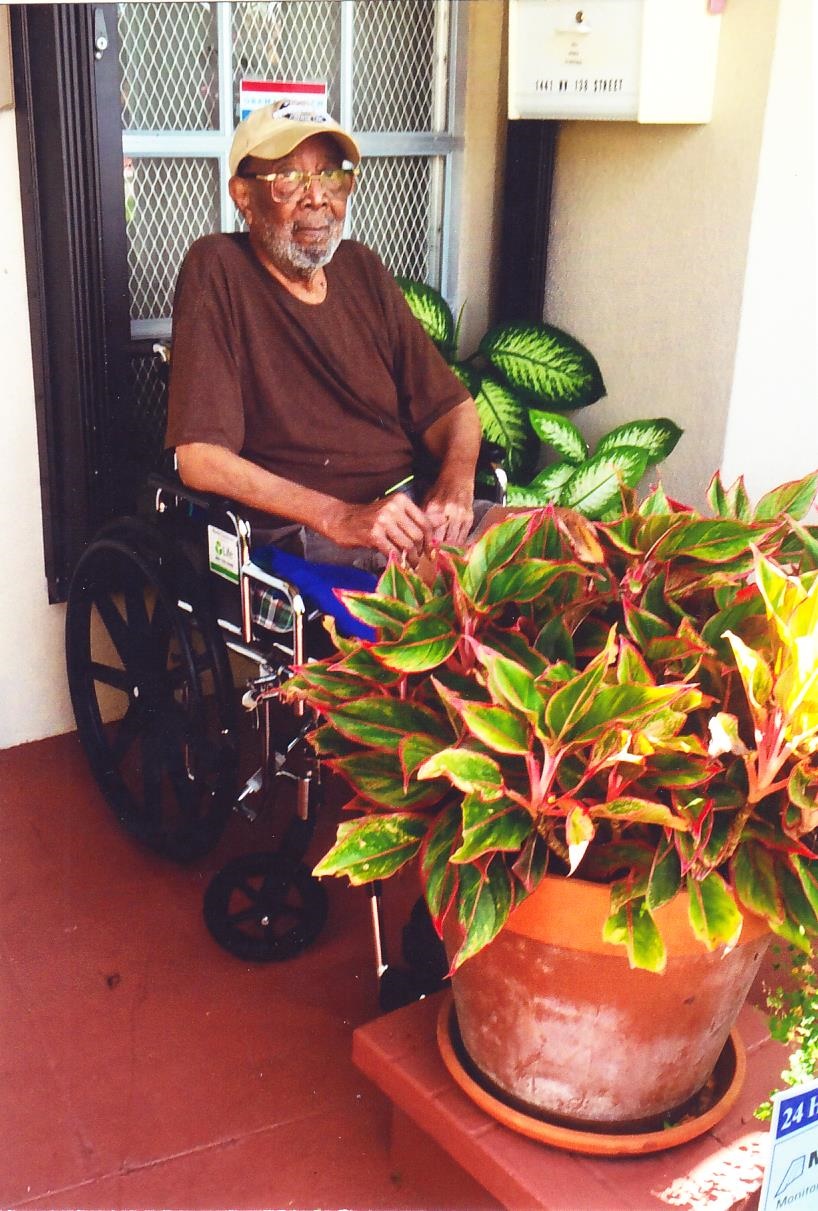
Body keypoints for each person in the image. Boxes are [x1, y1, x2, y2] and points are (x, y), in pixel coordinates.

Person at [165, 101, 485, 571]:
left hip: (411, 513)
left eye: (332, 175)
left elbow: (452, 410)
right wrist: (340, 516)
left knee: (559, 545)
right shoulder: (218, 267)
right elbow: (199, 458)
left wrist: (455, 486)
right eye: (288, 178)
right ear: (243, 196)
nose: (316, 197)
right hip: (310, 533)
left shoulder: (360, 267)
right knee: (473, 587)